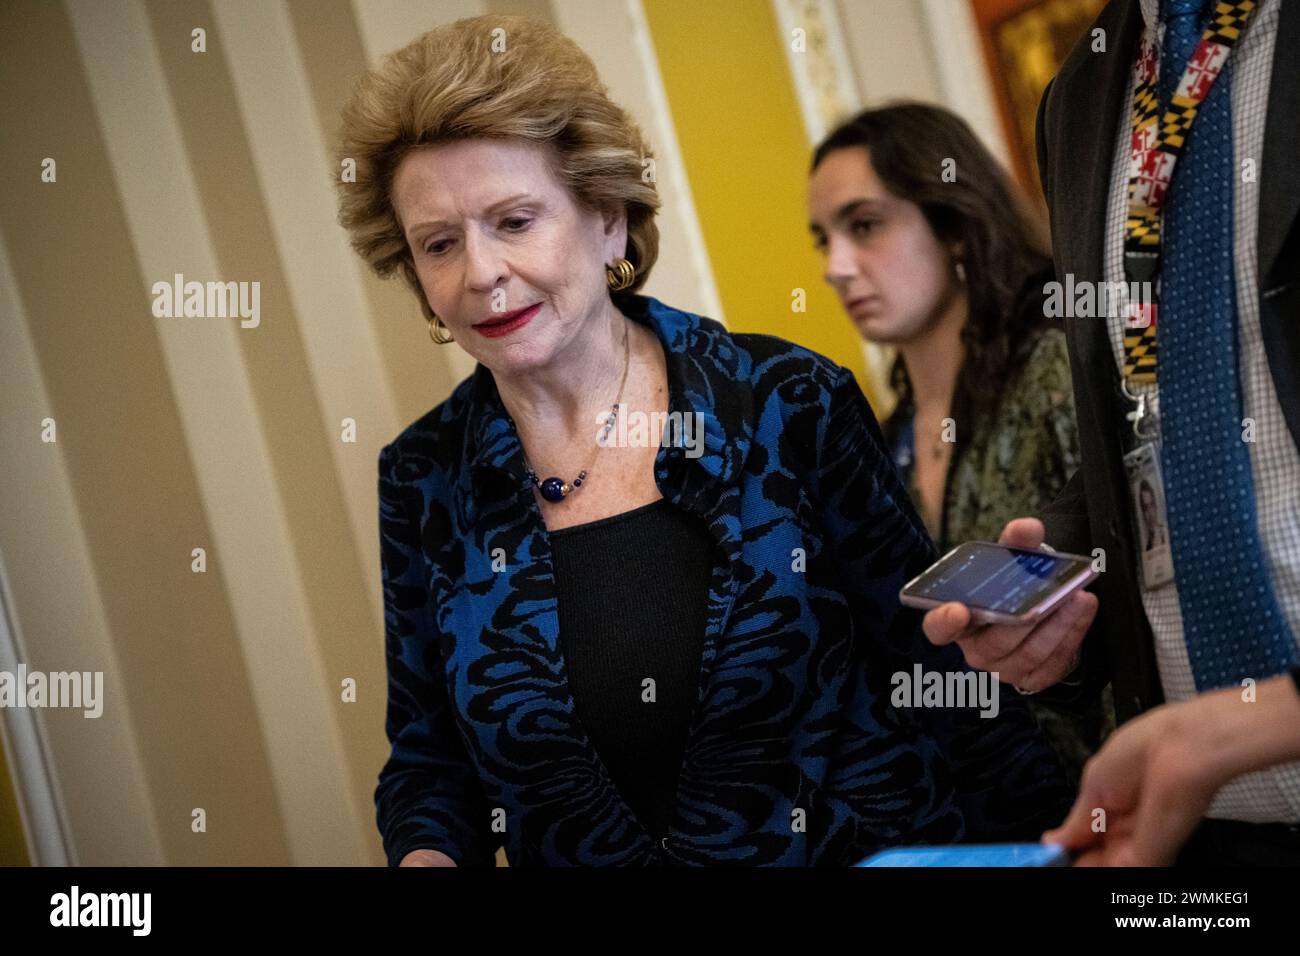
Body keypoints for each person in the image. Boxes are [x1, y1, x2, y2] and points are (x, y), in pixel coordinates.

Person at [336, 14, 1070, 867]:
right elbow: (430, 761)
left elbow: (945, 679)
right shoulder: (422, 476)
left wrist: (1057, 848)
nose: (481, 273)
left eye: (515, 220)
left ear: (607, 219)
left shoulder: (786, 401)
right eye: (439, 244)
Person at [924, 0, 1300, 864]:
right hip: (1198, 828)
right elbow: (1155, 414)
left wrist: (1266, 720)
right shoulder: (1083, 94)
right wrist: (1063, 583)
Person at [807, 102, 1111, 784]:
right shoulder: (881, 439)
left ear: (952, 227)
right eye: (824, 239)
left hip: (1120, 793)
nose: (837, 266)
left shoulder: (1058, 374)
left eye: (864, 225)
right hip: (991, 815)